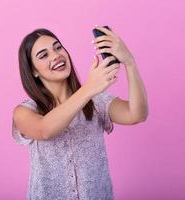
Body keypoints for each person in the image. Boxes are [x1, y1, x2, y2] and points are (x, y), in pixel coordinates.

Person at [12, 25, 148, 200]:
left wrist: (130, 63)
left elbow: (137, 114)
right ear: (33, 71)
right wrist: (90, 88)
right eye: (43, 55)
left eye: (58, 47)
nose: (56, 55)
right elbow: (45, 130)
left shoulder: (97, 101)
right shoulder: (25, 111)